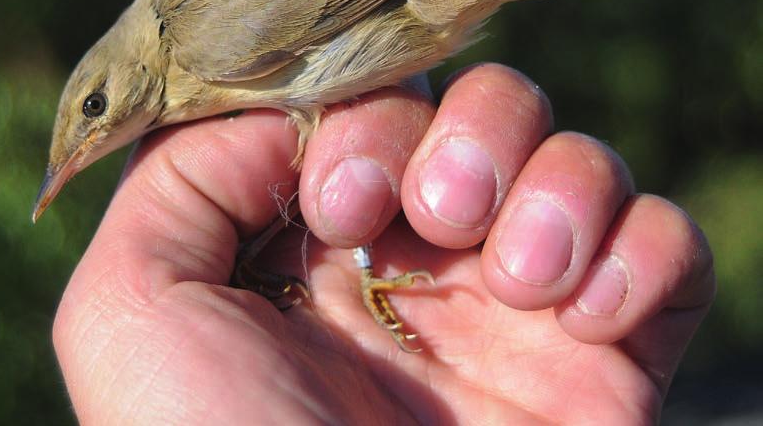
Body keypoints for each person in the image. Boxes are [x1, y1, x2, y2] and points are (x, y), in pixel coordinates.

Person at [52, 63, 715, 424]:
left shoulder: (197, 49)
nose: (87, 141)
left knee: (354, 173)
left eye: (91, 110)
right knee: (356, 175)